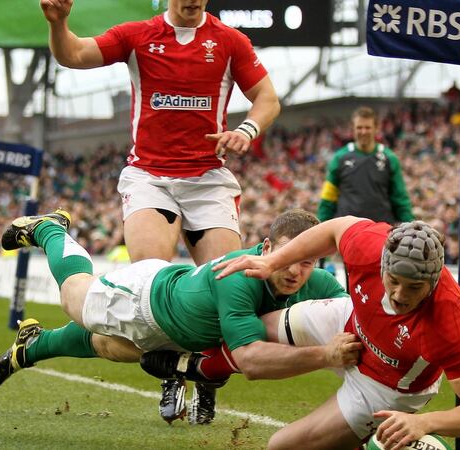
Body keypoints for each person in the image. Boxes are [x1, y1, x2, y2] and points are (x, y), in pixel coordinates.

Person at [39, 0, 281, 421]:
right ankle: (171, 375)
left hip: (208, 180)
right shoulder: (137, 36)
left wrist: (247, 129)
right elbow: (73, 54)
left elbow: (267, 98)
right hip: (150, 177)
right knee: (151, 282)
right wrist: (59, 23)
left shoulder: (228, 41)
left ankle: (205, 379)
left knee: (228, 287)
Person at [0, 209, 360, 426]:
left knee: (110, 347)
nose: (296, 271)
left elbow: (352, 313)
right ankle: (48, 229)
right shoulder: (239, 277)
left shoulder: (320, 282)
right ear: (266, 249)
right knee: (74, 295)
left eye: (307, 261)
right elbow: (249, 359)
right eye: (287, 256)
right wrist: (325, 355)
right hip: (144, 300)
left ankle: (32, 345)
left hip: (180, 331)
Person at [212, 218, 460, 450]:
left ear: (433, 281)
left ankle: (359, 442)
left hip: (387, 386)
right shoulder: (369, 245)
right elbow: (332, 230)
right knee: (254, 330)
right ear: (383, 264)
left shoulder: (448, 320)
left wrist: (426, 424)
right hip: (350, 321)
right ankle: (201, 371)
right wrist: (271, 262)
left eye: (414, 287)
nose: (399, 295)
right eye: (393, 281)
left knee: (282, 446)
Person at [317, 106, 414, 224]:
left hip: (381, 230)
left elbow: (400, 197)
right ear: (353, 128)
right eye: (359, 127)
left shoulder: (389, 158)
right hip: (347, 231)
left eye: (367, 127)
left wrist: (410, 225)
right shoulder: (339, 158)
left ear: (376, 128)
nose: (363, 131)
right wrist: (320, 225)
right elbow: (328, 198)